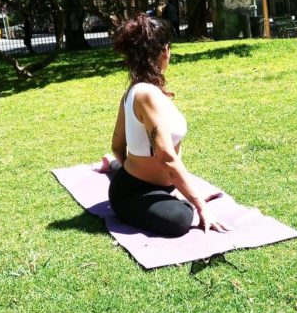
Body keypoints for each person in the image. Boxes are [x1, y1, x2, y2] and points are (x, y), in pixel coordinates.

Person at [97, 13, 230, 237]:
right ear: (164, 50)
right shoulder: (147, 95)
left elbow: (117, 146)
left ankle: (113, 167)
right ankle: (116, 170)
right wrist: (199, 204)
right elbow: (166, 158)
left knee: (131, 170)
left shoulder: (134, 91)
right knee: (180, 219)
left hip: (154, 185)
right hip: (133, 193)